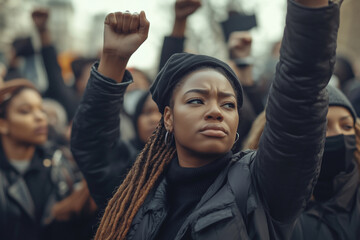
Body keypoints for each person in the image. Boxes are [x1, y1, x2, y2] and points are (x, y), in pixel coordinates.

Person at [71, 1, 341, 239]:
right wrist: (113, 60)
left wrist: (309, 10)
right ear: (168, 118)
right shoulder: (137, 187)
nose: (216, 111)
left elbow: (299, 95)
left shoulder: (261, 187)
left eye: (228, 104)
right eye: (196, 100)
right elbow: (93, 147)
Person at [0, 79, 92, 240]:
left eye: (41, 110)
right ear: (3, 124)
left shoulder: (61, 162)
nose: (40, 117)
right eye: (25, 111)